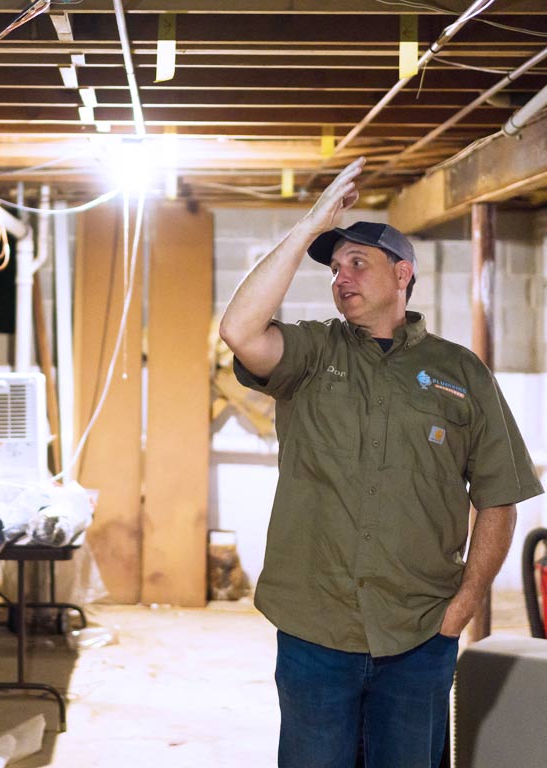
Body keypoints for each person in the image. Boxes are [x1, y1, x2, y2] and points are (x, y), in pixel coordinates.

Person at [219, 157, 543, 768]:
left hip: (419, 633)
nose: (341, 278)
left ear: (403, 274)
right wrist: (310, 228)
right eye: (335, 268)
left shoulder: (460, 372)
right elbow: (239, 329)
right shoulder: (311, 353)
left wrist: (465, 605)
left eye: (357, 263)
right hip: (316, 630)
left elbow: (498, 497)